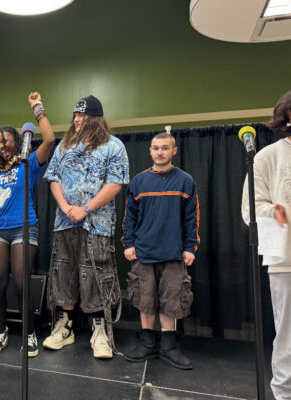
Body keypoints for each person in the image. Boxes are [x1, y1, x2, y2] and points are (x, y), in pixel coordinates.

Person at [42, 95, 129, 359]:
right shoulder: (65, 145)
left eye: (82, 115)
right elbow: (53, 178)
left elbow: (115, 183)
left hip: (97, 225)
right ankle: (65, 326)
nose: (77, 119)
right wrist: (65, 206)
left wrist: (86, 208)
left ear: (95, 118)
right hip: (65, 222)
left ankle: (100, 329)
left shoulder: (113, 146)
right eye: (75, 115)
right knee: (63, 271)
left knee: (97, 273)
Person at [0, 92, 54, 357]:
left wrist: (38, 108)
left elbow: (50, 140)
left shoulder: (27, 164)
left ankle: (29, 334)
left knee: (21, 284)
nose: (1, 146)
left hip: (24, 227)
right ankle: (1, 331)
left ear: (17, 141)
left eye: (6, 141)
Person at [241, 83, 291, 399]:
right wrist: (279, 211)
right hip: (290, 261)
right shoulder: (268, 157)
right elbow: (250, 208)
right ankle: (290, 394)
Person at [121, 132, 199, 369]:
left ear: (173, 151)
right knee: (145, 298)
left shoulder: (185, 180)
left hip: (174, 252)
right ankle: (147, 343)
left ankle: (168, 345)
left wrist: (190, 247)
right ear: (150, 151)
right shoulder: (139, 181)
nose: (160, 152)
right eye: (156, 148)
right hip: (143, 252)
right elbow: (129, 217)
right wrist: (128, 243)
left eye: (165, 148)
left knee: (171, 299)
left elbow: (191, 218)